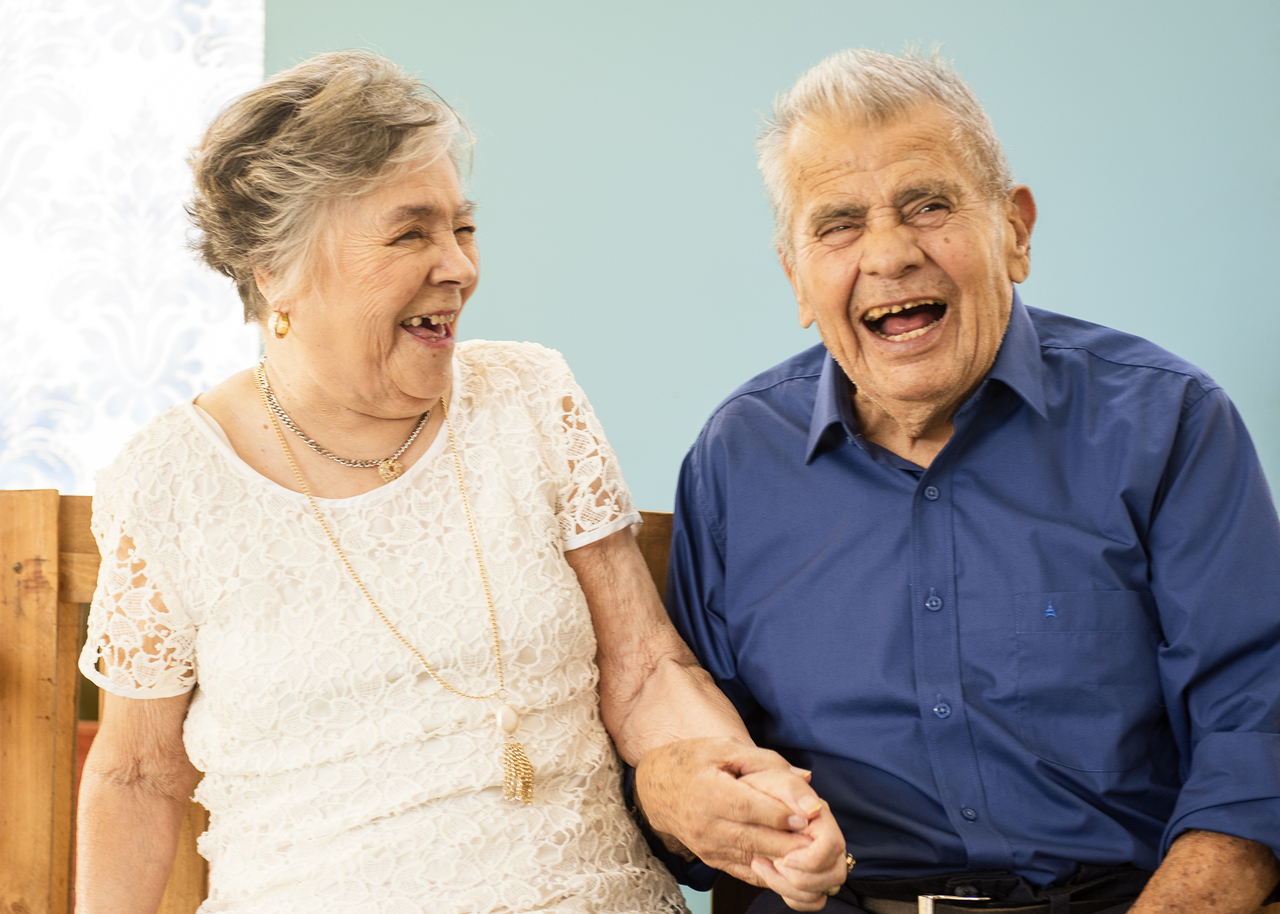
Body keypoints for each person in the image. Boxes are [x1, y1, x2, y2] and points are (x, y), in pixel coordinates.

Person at [74, 50, 845, 914]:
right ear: (277, 270)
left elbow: (643, 670)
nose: (460, 267)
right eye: (410, 233)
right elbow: (138, 774)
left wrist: (748, 793)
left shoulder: (530, 397)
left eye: (462, 227)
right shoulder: (169, 479)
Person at [661, 49, 1280, 914]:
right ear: (796, 275)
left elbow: (1256, 741)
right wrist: (686, 793)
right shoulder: (735, 459)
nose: (889, 253)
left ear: (1015, 231)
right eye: (838, 224)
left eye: (929, 205)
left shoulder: (1167, 423)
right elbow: (694, 748)